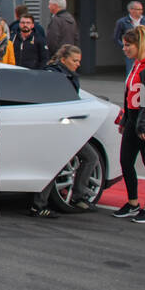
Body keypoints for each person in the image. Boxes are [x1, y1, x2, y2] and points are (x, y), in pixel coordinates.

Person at [111, 26, 145, 225]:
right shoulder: (137, 65)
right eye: (124, 45)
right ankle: (133, 202)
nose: (124, 48)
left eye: (128, 45)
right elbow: (130, 96)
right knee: (126, 161)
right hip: (135, 120)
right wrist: (126, 120)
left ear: (139, 45)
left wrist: (143, 126)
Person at [27, 44, 90, 218]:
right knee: (56, 163)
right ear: (63, 60)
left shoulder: (66, 75)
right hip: (57, 127)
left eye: (79, 61)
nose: (78, 64)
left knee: (88, 157)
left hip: (67, 126)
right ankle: (38, 206)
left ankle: (77, 197)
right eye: (74, 60)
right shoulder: (53, 76)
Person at [112, 1, 145, 76]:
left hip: (143, 50)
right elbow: (116, 37)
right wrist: (126, 46)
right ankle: (131, 86)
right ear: (131, 10)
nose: (140, 11)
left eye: (141, 9)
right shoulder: (122, 22)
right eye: (138, 9)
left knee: (144, 69)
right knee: (131, 71)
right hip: (131, 51)